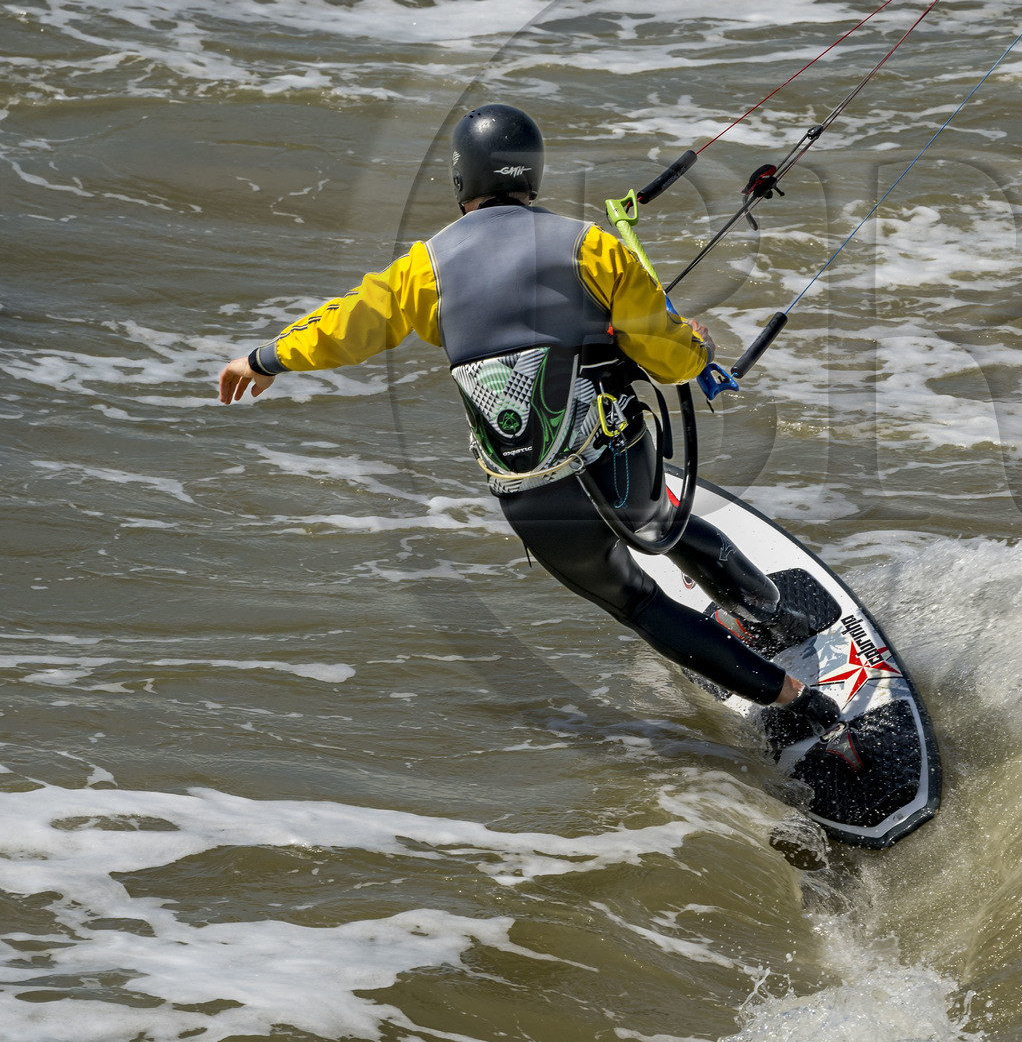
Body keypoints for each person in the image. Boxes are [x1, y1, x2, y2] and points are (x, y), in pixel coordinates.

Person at [217, 102, 851, 756]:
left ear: (463, 179)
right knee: (663, 518)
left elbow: (345, 326)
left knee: (636, 604)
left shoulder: (419, 269)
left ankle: (801, 709)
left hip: (536, 501)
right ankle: (771, 614)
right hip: (617, 468)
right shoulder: (592, 247)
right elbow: (668, 359)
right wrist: (698, 346)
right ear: (533, 177)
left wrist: (263, 359)